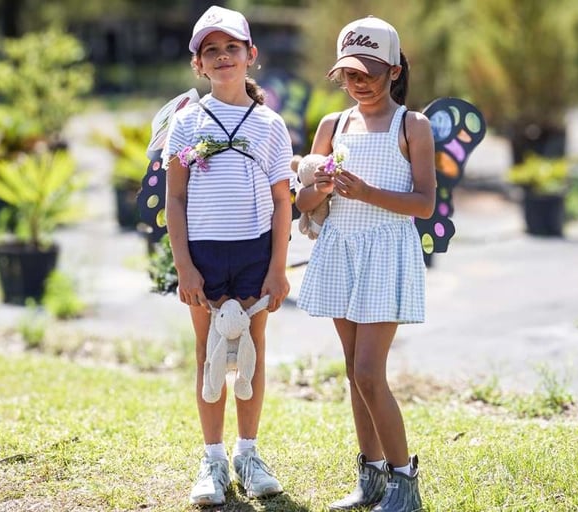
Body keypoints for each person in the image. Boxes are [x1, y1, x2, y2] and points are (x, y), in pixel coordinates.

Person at [296, 15, 435, 512]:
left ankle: (405, 483)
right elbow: (304, 200)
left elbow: (423, 204)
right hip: (340, 248)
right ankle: (371, 476)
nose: (357, 85)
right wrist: (323, 187)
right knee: (354, 372)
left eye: (368, 74)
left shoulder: (411, 125)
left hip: (386, 253)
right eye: (348, 76)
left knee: (371, 372)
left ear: (395, 71)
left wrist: (368, 192)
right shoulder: (334, 125)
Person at [162, 5, 294, 507]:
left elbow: (284, 201)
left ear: (250, 56)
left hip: (255, 254)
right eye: (210, 51)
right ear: (198, 64)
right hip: (204, 255)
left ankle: (249, 454)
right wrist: (185, 266)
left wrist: (278, 268)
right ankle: (212, 460)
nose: (222, 58)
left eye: (231, 48)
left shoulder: (270, 125)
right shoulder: (185, 123)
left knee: (253, 356)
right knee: (208, 354)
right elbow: (175, 199)